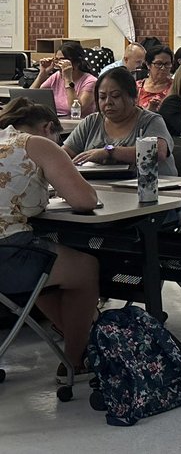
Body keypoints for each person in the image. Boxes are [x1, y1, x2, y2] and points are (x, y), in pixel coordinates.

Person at [0, 97, 100, 379]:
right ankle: (75, 361)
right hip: (6, 254)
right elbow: (84, 200)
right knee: (84, 268)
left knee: (47, 267)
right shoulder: (37, 144)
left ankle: (84, 338)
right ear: (48, 128)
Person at [63, 67, 177, 175]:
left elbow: (157, 152)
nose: (108, 102)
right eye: (102, 97)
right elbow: (64, 153)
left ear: (133, 97)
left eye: (116, 96)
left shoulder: (151, 121)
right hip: (101, 189)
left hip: (151, 191)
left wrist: (109, 152)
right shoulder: (91, 122)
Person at [31, 41, 97, 117]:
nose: (59, 64)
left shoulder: (91, 81)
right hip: (55, 120)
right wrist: (41, 75)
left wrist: (68, 79)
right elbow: (30, 99)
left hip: (76, 123)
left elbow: (76, 110)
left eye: (62, 60)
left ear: (76, 62)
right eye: (57, 60)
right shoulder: (57, 76)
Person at [137, 45, 174, 112]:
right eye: (158, 64)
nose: (163, 68)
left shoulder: (175, 86)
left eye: (167, 64)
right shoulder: (137, 87)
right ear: (148, 65)